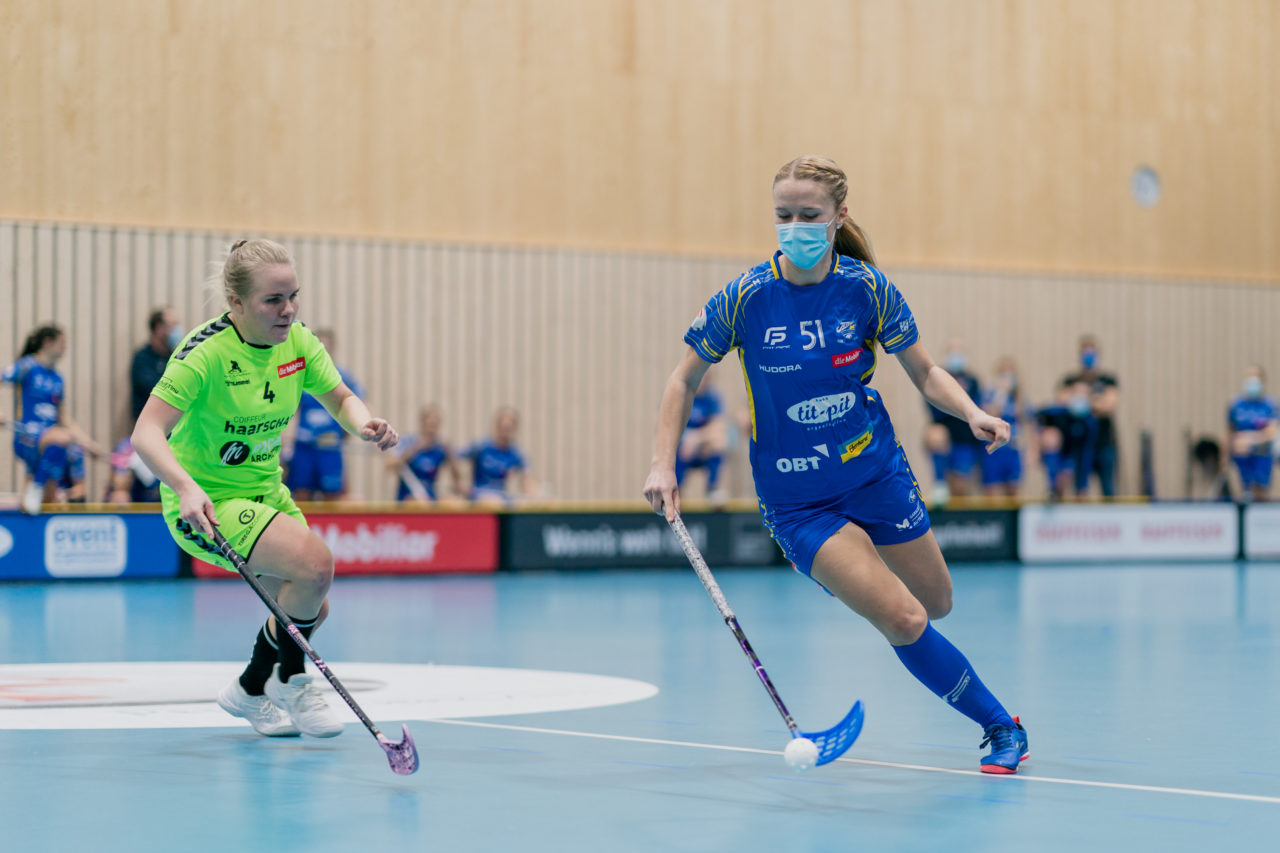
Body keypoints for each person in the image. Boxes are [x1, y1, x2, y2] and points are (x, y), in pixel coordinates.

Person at [644, 155, 1028, 774]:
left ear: (838, 216)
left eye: (808, 214)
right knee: (903, 617)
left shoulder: (866, 288)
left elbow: (925, 371)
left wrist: (971, 413)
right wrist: (662, 464)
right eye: (783, 215)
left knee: (936, 602)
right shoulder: (745, 297)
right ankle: (1002, 726)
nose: (794, 227)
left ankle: (861, 578)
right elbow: (682, 379)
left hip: (875, 474)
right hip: (800, 502)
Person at [132, 239, 399, 740]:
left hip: (266, 494)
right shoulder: (204, 354)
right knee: (316, 565)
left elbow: (340, 397)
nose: (288, 309)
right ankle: (293, 681)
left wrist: (363, 422)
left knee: (311, 603)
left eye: (293, 295)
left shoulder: (298, 342)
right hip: (206, 504)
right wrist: (185, 487)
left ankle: (250, 689)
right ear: (236, 302)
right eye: (273, 300)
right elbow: (145, 433)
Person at [1, 325, 105, 514]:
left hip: (49, 443)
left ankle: (35, 491)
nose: (65, 348)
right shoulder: (26, 366)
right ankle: (37, 486)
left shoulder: (58, 378)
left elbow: (64, 418)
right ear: (47, 342)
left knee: (42, 503)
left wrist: (88, 444)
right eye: (62, 343)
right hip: (27, 436)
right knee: (63, 438)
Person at [285, 329, 360, 501]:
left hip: (329, 448)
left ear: (332, 350)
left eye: (327, 347)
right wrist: (285, 443)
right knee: (301, 493)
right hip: (304, 446)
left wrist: (349, 433)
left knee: (332, 494)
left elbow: (355, 404)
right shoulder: (300, 375)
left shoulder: (343, 377)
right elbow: (290, 410)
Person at [923, 340, 984, 504]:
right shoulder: (938, 379)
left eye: (959, 351)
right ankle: (939, 482)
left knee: (959, 489)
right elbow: (933, 406)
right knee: (935, 434)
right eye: (953, 351)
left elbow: (977, 408)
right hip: (946, 433)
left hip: (966, 436)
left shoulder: (973, 381)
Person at [1062, 335, 1119, 498]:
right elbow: (1064, 402)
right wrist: (1095, 400)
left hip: (1104, 442)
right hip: (1078, 443)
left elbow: (1109, 405)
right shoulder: (1070, 380)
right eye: (1085, 353)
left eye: (1091, 353)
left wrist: (1081, 398)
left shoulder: (1108, 380)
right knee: (1080, 489)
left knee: (1108, 489)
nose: (1088, 356)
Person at [464, 406, 538, 506]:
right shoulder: (481, 446)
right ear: (497, 427)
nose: (505, 433)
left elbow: (527, 479)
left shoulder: (516, 453)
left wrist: (534, 496)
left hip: (502, 495)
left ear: (514, 430)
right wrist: (461, 482)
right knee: (495, 502)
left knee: (517, 504)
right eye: (503, 428)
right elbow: (456, 456)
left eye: (508, 429)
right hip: (479, 494)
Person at [674, 374, 730, 505]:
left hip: (702, 448)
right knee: (673, 448)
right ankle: (675, 490)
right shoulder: (680, 396)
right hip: (682, 448)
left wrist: (696, 439)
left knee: (719, 443)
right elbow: (669, 426)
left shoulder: (713, 398)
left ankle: (712, 489)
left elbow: (718, 427)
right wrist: (685, 440)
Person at [388, 405, 462, 501]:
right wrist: (415, 449)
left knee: (452, 501)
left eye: (435, 426)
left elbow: (457, 478)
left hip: (429, 497)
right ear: (422, 423)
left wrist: (451, 455)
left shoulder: (440, 448)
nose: (432, 430)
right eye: (430, 425)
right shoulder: (409, 442)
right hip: (408, 495)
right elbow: (391, 465)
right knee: (416, 503)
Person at [1227, 365, 1278, 502]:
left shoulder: (1270, 405)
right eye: (1249, 377)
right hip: (1240, 456)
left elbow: (1272, 431)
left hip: (1262, 455)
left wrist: (1251, 440)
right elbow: (1229, 431)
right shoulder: (1236, 404)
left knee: (1260, 493)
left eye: (1255, 378)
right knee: (1243, 493)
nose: (1251, 382)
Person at [979, 357, 1024, 498]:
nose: (1007, 377)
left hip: (1013, 450)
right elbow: (989, 414)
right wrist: (1001, 394)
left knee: (1013, 492)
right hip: (993, 450)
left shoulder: (1019, 398)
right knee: (992, 492)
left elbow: (1025, 420)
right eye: (1003, 373)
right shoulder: (989, 395)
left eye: (1010, 373)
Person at [131, 307, 185, 422]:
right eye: (173, 325)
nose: (177, 330)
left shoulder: (175, 356)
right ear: (159, 328)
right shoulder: (142, 359)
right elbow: (161, 391)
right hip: (149, 423)